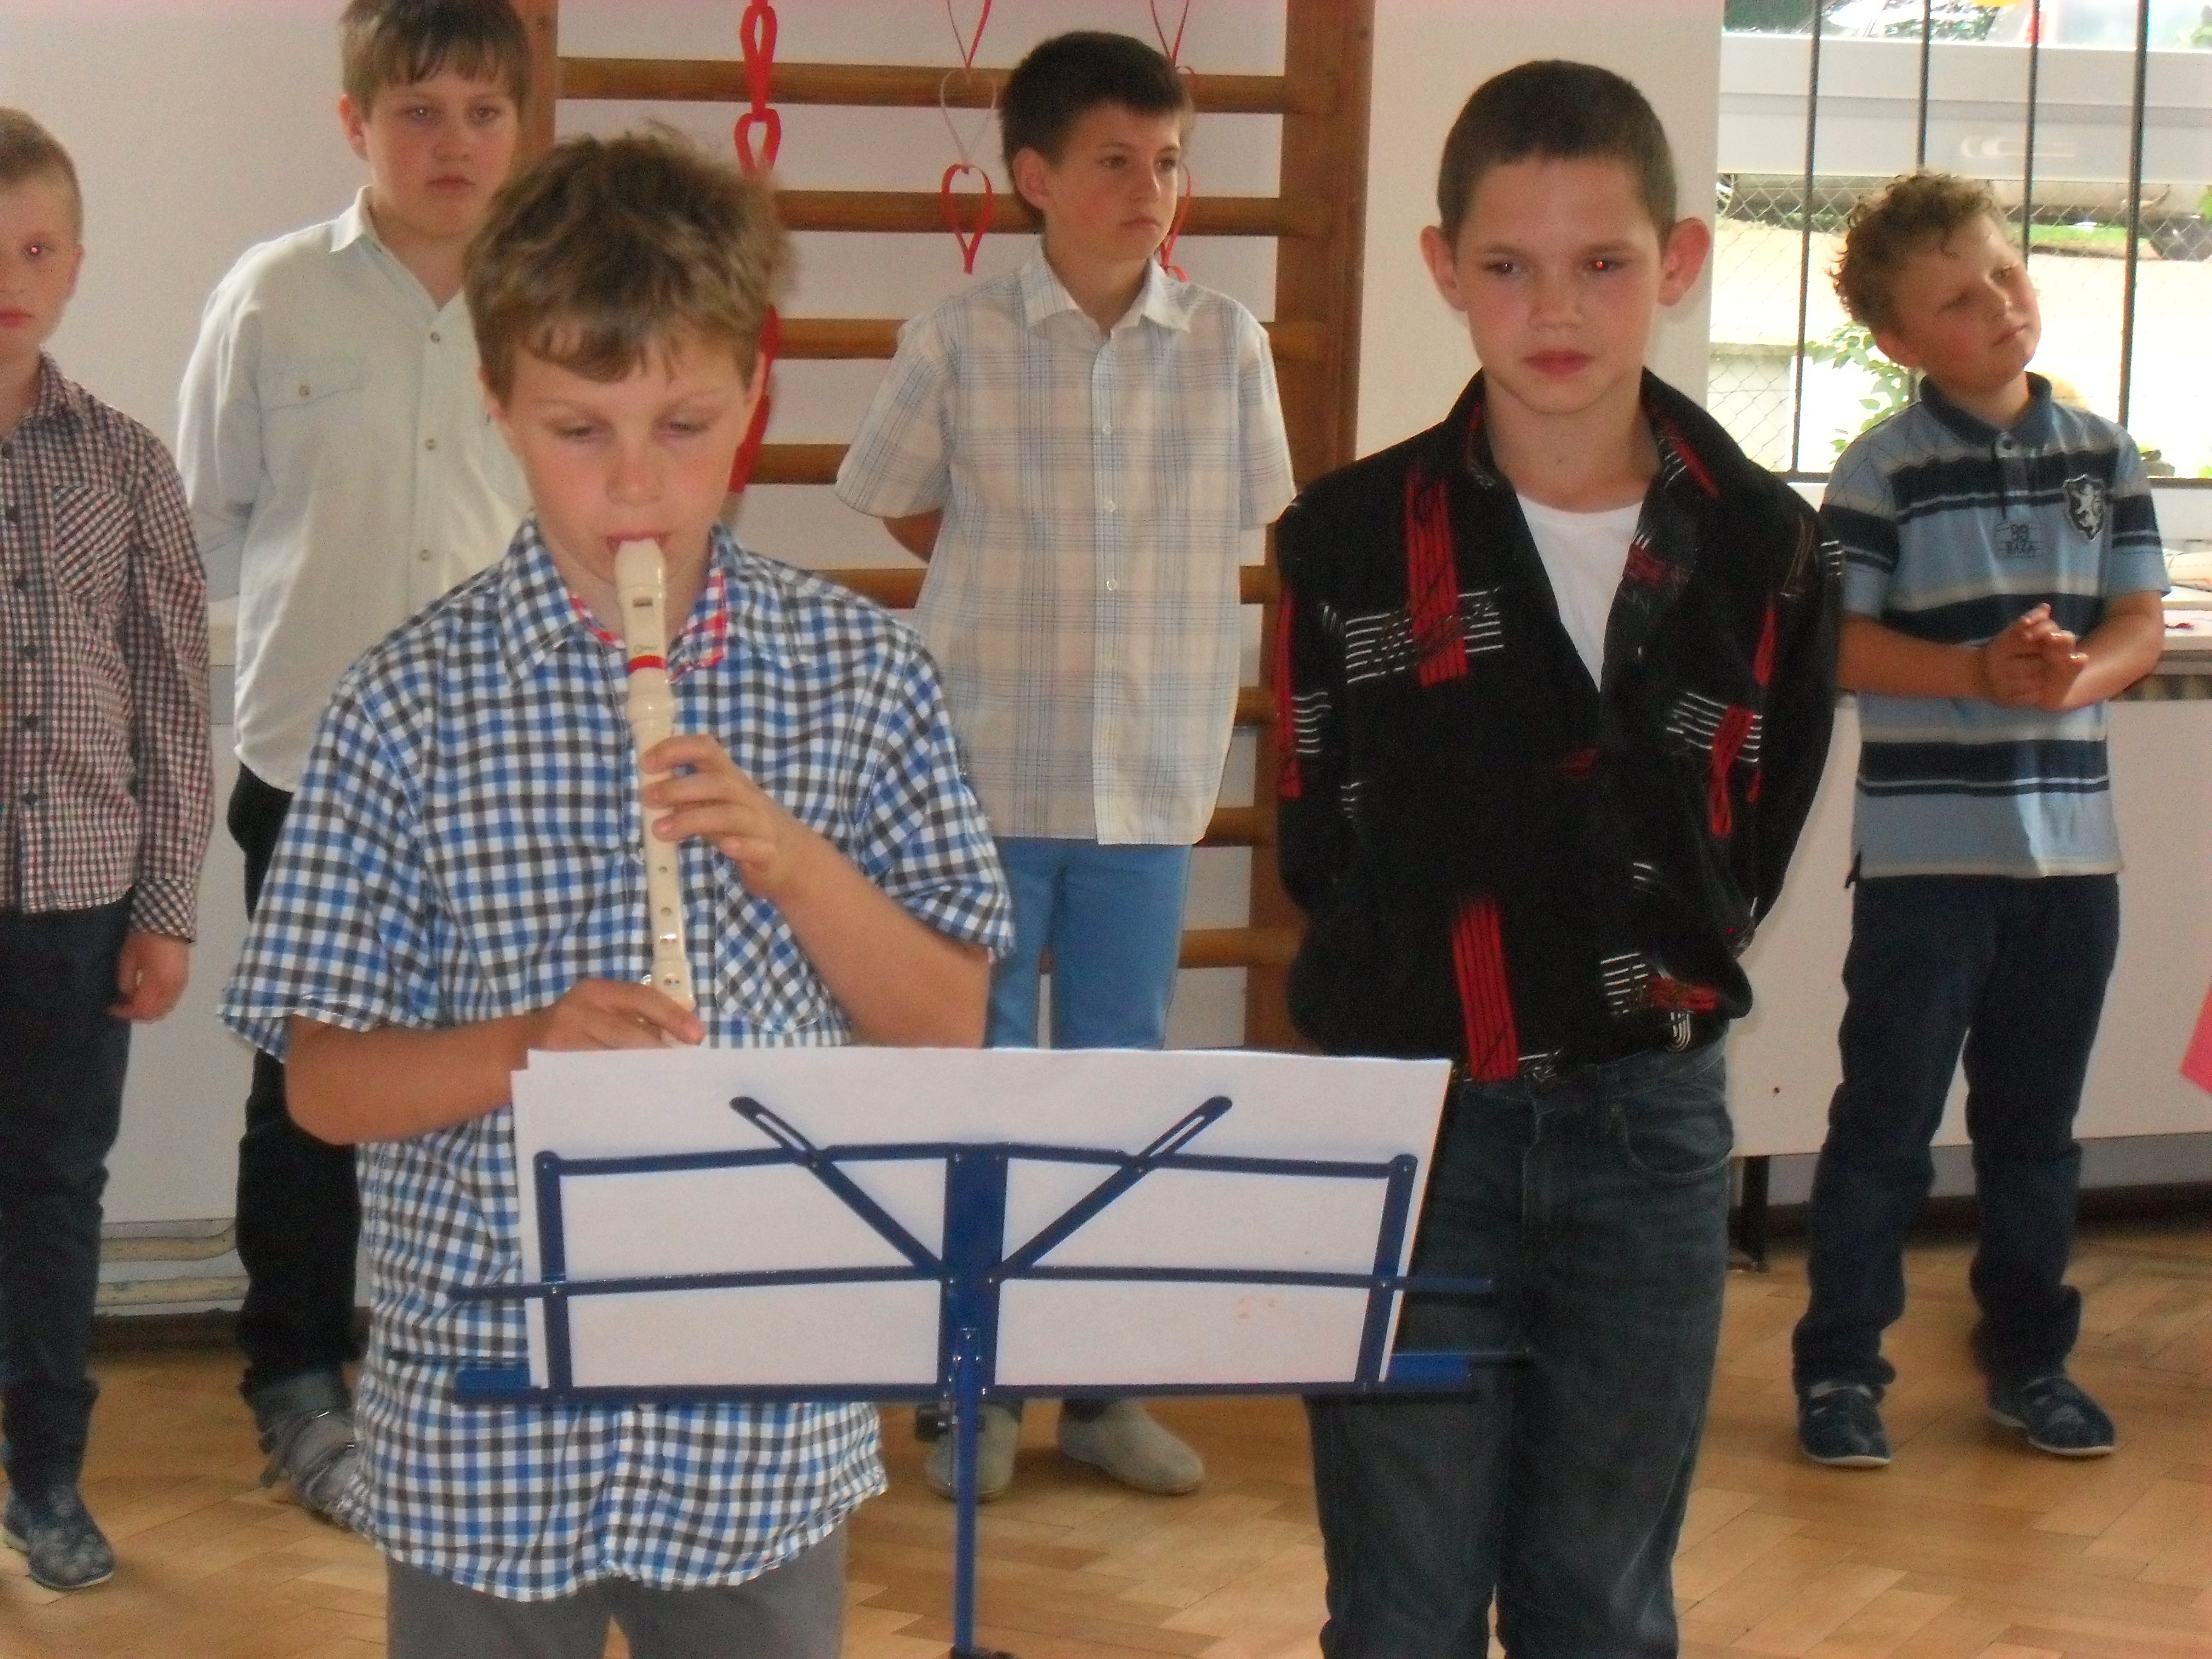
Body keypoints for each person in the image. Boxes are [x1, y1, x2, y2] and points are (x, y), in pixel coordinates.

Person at [220, 128, 1010, 1658]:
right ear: (498, 406)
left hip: (755, 1424)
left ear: (753, 401)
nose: (636, 485)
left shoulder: (861, 675)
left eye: (685, 425)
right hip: (489, 1424)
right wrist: (530, 1050)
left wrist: (796, 863)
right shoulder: (402, 703)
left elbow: (950, 1023)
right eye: (580, 430)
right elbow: (324, 1086)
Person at [1273, 61, 1840, 1657]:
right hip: (1412, 1120)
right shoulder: (1349, 538)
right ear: (1444, 267)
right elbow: (1320, 829)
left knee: (1601, 1601)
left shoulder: (1766, 544)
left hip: (1650, 1135)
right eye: (1510, 266)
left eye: (1603, 262)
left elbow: (1757, 826)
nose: (1558, 310)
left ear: (1680, 261)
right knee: (1402, 1607)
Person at [836, 28, 1295, 1503]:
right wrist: (1005, 583)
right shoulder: (957, 336)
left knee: (1117, 1084)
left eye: (1168, 162)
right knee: (977, 1082)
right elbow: (900, 502)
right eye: (1114, 161)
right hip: (984, 772)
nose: (1149, 188)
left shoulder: (1226, 342)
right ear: (1033, 177)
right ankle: (964, 1391)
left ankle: (1101, 1389)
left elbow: (1252, 520)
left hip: (1148, 777)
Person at [176, 0, 532, 1520]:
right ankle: (299, 1380)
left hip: (515, 774)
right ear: (355, 123)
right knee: (309, 1093)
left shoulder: (557, 295)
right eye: (418, 111)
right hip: (313, 767)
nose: (453, 143)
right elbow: (210, 524)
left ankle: (487, 1357)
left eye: (483, 111)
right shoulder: (273, 295)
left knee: (514, 1070)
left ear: (520, 127)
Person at [1791, 171, 2166, 1469]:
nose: (1999, 302)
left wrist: (2076, 676)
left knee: (2034, 1134)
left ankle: (2030, 1362)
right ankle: (1842, 1369)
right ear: (1900, 340)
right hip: (1925, 868)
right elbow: (1835, 647)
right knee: (1884, 1129)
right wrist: (1971, 673)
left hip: (2074, 867)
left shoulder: (2105, 454)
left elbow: (2138, 622)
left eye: (2005, 272)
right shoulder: (1880, 470)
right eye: (1958, 298)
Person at [0, 107, 213, 1592]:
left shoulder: (128, 464)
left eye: (34, 249)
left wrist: (167, 907)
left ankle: (48, 1481)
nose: (7, 279)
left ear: (75, 263)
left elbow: (177, 704)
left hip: (74, 901)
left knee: (55, 1191)